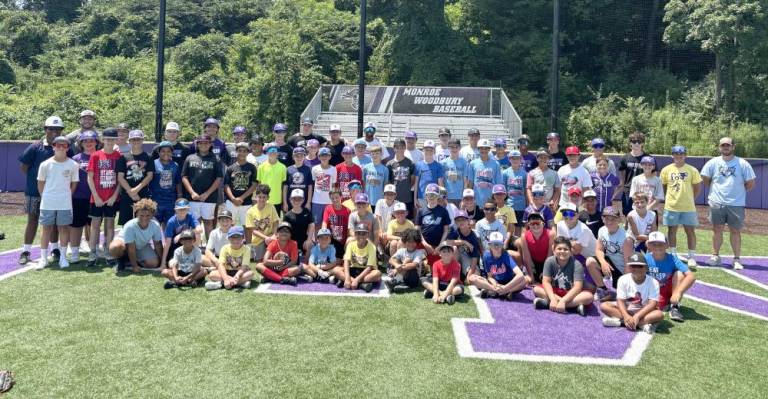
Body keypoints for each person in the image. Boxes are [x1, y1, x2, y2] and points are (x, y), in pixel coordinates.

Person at [701, 137, 757, 270]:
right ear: (719, 147)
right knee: (717, 230)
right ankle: (715, 256)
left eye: (728, 145)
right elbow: (705, 178)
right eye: (723, 145)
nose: (725, 147)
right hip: (716, 202)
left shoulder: (742, 163)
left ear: (733, 147)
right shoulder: (713, 162)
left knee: (735, 231)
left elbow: (750, 183)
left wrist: (737, 193)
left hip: (736, 204)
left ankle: (736, 259)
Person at [18, 116, 68, 265]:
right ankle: (26, 251)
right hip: (34, 191)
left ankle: (55, 249)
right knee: (32, 220)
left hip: (55, 193)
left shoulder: (64, 147)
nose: (54, 132)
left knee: (53, 222)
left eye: (58, 129)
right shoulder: (35, 147)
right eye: (51, 129)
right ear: (45, 129)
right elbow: (24, 167)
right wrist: (38, 182)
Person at [34, 136, 79, 269]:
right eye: (57, 145)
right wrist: (46, 196)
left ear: (68, 147)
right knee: (46, 229)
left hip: (65, 203)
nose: (60, 147)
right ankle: (43, 258)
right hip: (47, 203)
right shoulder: (45, 164)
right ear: (53, 146)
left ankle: (63, 258)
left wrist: (66, 196)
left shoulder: (73, 165)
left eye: (64, 145)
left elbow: (74, 183)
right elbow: (40, 184)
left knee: (64, 229)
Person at [660, 145, 702, 269]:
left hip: (688, 207)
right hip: (672, 206)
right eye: (676, 154)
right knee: (672, 231)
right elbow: (664, 187)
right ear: (672, 155)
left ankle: (691, 256)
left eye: (681, 154)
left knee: (690, 231)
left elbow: (697, 188)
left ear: (685, 155)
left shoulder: (692, 170)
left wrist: (690, 199)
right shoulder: (666, 170)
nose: (679, 156)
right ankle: (673, 255)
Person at [600, 253, 664, 333]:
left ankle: (621, 323)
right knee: (604, 306)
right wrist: (626, 315)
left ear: (646, 268)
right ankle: (640, 324)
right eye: (633, 266)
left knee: (659, 314)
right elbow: (620, 300)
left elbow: (652, 304)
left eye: (640, 266)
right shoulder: (623, 279)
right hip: (627, 309)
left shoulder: (653, 282)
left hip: (643, 311)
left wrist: (637, 315)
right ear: (629, 268)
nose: (636, 269)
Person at [86, 127, 121, 268]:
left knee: (110, 225)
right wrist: (96, 196)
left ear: (115, 141)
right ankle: (93, 252)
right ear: (102, 139)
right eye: (107, 139)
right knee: (95, 226)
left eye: (112, 139)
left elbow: (120, 179)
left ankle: (108, 251)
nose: (109, 142)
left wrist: (114, 196)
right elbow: (90, 177)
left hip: (112, 198)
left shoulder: (118, 157)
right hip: (97, 199)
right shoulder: (95, 155)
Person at [533, 236, 593, 316]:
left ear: (571, 252)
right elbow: (546, 281)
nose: (562, 251)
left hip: (571, 293)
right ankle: (574, 307)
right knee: (536, 289)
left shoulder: (577, 264)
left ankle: (549, 304)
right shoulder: (549, 261)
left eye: (566, 249)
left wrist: (563, 301)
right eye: (559, 249)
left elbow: (577, 287)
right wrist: (553, 298)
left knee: (589, 296)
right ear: (554, 251)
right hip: (555, 291)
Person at [644, 231, 696, 322]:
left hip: (667, 290)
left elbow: (691, 276)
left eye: (660, 244)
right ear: (648, 245)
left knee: (680, 274)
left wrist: (678, 293)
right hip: (652, 291)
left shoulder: (672, 258)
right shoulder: (645, 258)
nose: (657, 246)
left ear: (667, 245)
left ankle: (674, 307)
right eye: (654, 244)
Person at [181, 134, 223, 239]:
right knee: (195, 223)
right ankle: (195, 247)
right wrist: (192, 192)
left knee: (208, 222)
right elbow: (184, 177)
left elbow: (219, 178)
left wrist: (207, 194)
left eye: (206, 143)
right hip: (193, 197)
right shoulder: (190, 158)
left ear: (210, 144)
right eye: (200, 143)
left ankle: (210, 247)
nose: (203, 145)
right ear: (197, 144)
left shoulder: (216, 159)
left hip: (209, 197)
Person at [109, 199, 164, 273]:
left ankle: (131, 260)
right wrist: (135, 266)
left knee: (153, 263)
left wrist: (163, 262)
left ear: (152, 215)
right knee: (115, 247)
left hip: (141, 246)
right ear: (136, 214)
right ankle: (120, 259)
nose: (144, 218)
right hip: (125, 245)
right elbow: (130, 247)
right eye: (141, 215)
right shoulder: (130, 226)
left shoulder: (155, 225)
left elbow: (157, 244)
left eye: (148, 215)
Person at [585, 206, 627, 299]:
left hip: (623, 269)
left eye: (613, 219)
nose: (610, 222)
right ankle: (602, 290)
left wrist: (626, 282)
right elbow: (599, 249)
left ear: (619, 220)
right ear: (603, 219)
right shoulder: (602, 230)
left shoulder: (625, 237)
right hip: (610, 264)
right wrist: (603, 262)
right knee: (590, 261)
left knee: (622, 296)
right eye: (607, 218)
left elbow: (628, 262)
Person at [69, 131, 98, 262]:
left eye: (91, 140)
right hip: (79, 197)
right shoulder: (75, 159)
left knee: (94, 225)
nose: (88, 143)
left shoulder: (101, 157)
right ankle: (75, 251)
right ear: (80, 143)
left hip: (96, 197)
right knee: (76, 225)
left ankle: (94, 250)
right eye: (85, 141)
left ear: (96, 142)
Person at [471, 231, 526, 299]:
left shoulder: (506, 255)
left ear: (502, 245)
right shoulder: (486, 256)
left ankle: (497, 292)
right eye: (494, 244)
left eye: (498, 244)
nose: (496, 246)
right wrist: (495, 285)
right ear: (489, 245)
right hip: (495, 282)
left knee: (523, 281)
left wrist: (505, 288)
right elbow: (490, 276)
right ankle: (497, 291)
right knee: (472, 278)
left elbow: (520, 274)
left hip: (508, 282)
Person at [117, 130, 155, 226]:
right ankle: (127, 241)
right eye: (133, 139)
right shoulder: (123, 157)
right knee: (126, 223)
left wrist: (136, 189)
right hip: (127, 194)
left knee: (143, 221)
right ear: (129, 141)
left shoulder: (148, 157)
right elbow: (120, 177)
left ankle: (141, 241)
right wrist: (131, 191)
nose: (136, 141)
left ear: (142, 140)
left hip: (142, 193)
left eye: (138, 139)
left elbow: (149, 176)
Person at [334, 223, 382, 292]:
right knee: (336, 270)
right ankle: (362, 284)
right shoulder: (350, 245)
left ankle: (345, 280)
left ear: (367, 235)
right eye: (358, 233)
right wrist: (347, 277)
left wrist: (356, 280)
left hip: (366, 271)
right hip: (353, 269)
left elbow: (369, 267)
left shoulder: (372, 247)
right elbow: (346, 261)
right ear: (355, 234)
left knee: (377, 274)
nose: (361, 236)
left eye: (363, 233)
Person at [205, 226, 254, 290]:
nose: (235, 240)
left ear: (243, 238)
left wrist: (238, 275)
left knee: (251, 274)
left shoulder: (246, 249)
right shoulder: (224, 248)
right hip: (227, 272)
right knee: (212, 274)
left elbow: (244, 266)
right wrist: (225, 278)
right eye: (232, 237)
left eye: (238, 237)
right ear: (228, 238)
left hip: (240, 272)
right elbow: (221, 265)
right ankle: (240, 283)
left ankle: (220, 284)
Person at [252, 222, 302, 286]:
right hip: (272, 267)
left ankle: (271, 277)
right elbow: (265, 261)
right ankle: (282, 279)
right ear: (277, 234)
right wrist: (280, 262)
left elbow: (293, 261)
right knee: (259, 266)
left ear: (290, 235)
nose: (284, 233)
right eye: (281, 231)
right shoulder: (273, 243)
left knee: (297, 269)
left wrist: (283, 267)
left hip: (285, 268)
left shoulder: (294, 243)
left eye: (287, 231)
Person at [618, 131, 655, 216]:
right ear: (630, 143)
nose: (637, 144)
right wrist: (624, 186)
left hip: (643, 190)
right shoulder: (625, 158)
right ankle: (628, 229)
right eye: (634, 141)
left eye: (639, 141)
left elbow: (653, 174)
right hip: (628, 190)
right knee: (628, 214)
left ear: (643, 143)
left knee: (643, 214)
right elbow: (623, 176)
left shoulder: (649, 158)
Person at [160, 199, 203, 268]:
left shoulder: (190, 216)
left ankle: (194, 256)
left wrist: (181, 234)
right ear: (175, 210)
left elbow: (200, 229)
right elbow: (167, 242)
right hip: (174, 246)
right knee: (172, 264)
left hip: (186, 243)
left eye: (184, 209)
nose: (182, 211)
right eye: (180, 209)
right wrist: (163, 263)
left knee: (197, 234)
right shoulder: (171, 221)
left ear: (188, 209)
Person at [416, 184, 451, 264]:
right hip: (423, 244)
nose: (431, 197)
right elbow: (417, 229)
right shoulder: (421, 211)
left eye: (434, 195)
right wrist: (425, 244)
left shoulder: (443, 211)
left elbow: (446, 230)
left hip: (438, 244)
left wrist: (440, 245)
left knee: (438, 266)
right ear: (425, 196)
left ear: (438, 196)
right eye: (429, 195)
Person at [223, 142, 257, 226]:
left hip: (246, 201)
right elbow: (226, 185)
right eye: (240, 150)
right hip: (231, 201)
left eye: (244, 151)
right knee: (228, 224)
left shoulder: (252, 167)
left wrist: (241, 198)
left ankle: (247, 240)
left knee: (247, 226)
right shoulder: (230, 168)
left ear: (248, 153)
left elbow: (254, 185)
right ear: (236, 152)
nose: (242, 153)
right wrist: (233, 198)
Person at [514, 212, 553, 283]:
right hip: (533, 263)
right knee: (528, 280)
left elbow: (550, 256)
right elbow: (527, 258)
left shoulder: (550, 234)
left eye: (537, 223)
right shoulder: (524, 236)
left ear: (543, 224)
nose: (535, 226)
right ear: (529, 225)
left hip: (547, 263)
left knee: (547, 280)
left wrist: (545, 272)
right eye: (532, 223)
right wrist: (531, 276)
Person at [150, 141, 182, 227]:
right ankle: (156, 240)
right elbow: (148, 180)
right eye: (163, 151)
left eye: (168, 151)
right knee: (154, 224)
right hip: (156, 199)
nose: (166, 153)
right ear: (159, 152)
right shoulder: (153, 163)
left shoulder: (175, 165)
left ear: (172, 153)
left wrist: (179, 196)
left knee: (169, 224)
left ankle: (167, 240)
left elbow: (178, 181)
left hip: (170, 200)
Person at [384, 229, 426, 293]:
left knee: (409, 261)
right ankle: (402, 285)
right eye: (409, 241)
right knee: (396, 260)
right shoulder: (401, 250)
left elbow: (414, 265)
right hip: (402, 275)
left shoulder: (418, 252)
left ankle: (395, 282)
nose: (411, 244)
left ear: (417, 242)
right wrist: (397, 265)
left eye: (413, 242)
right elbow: (391, 260)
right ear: (404, 241)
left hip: (413, 278)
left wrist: (397, 270)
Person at [555, 202, 597, 267]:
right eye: (565, 213)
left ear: (577, 215)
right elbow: (559, 244)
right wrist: (571, 243)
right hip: (577, 255)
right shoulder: (560, 225)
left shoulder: (583, 230)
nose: (568, 216)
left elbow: (576, 251)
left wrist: (565, 244)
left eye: (571, 214)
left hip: (592, 258)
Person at [245, 184, 279, 262]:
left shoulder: (271, 207)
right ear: (255, 197)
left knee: (274, 256)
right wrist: (265, 238)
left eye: (264, 197)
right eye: (259, 197)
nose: (261, 199)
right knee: (260, 260)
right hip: (258, 239)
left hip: (270, 236)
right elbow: (252, 230)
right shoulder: (250, 211)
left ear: (268, 198)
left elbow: (276, 222)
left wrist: (274, 234)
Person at [465, 139, 502, 208]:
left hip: (491, 202)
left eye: (486, 148)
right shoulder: (473, 163)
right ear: (478, 149)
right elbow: (470, 183)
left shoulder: (496, 164)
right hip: (476, 202)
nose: (484, 150)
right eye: (481, 148)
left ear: (489, 150)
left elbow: (498, 184)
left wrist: (495, 200)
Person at [446, 210, 481, 280]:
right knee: (454, 248)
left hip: (469, 257)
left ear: (468, 221)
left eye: (463, 219)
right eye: (458, 220)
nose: (461, 222)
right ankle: (453, 274)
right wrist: (464, 242)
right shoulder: (454, 230)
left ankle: (463, 276)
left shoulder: (474, 236)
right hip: (457, 255)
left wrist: (470, 274)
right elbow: (447, 242)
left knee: (475, 275)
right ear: (456, 222)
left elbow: (474, 258)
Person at [257, 143, 287, 216]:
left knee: (275, 222)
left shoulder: (283, 167)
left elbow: (284, 186)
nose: (273, 153)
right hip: (264, 200)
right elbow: (259, 184)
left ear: (277, 153)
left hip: (277, 200)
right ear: (267, 153)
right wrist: (257, 198)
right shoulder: (261, 167)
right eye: (270, 151)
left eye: (275, 151)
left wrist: (284, 201)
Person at [387, 139, 416, 218]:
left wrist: (406, 187)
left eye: (402, 147)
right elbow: (389, 182)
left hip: (407, 198)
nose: (400, 149)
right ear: (394, 148)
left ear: (405, 148)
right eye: (397, 147)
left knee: (408, 221)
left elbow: (412, 180)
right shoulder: (389, 164)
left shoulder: (410, 163)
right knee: (394, 220)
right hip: (394, 198)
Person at [282, 189, 315, 256]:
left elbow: (312, 225)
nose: (296, 201)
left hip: (304, 241)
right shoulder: (287, 215)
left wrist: (309, 239)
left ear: (303, 200)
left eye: (299, 199)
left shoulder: (307, 212)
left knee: (310, 245)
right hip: (291, 241)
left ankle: (307, 263)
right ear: (290, 200)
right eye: (294, 199)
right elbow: (285, 231)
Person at [503, 149, 527, 237]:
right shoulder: (505, 173)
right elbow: (504, 189)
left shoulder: (524, 174)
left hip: (521, 205)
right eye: (513, 158)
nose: (515, 160)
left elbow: (525, 189)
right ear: (509, 159)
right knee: (509, 227)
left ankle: (516, 245)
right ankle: (508, 245)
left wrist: (527, 204)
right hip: (509, 205)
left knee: (518, 228)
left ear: (520, 160)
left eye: (517, 158)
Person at [413, 140, 444, 210]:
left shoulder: (438, 166)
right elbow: (416, 183)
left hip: (434, 197)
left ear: (434, 151)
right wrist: (415, 199)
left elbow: (441, 184)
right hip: (422, 197)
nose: (429, 152)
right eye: (427, 149)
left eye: (431, 150)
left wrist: (441, 198)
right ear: (423, 150)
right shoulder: (418, 165)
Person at [311, 147, 337, 226]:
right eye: (322, 155)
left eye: (326, 155)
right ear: (318, 157)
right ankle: (315, 238)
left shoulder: (333, 169)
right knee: (316, 224)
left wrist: (333, 200)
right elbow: (313, 183)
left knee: (328, 224)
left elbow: (333, 185)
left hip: (328, 201)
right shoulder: (315, 168)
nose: (324, 157)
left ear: (330, 157)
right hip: (317, 201)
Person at [322, 189, 351, 258]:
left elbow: (349, 229)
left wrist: (347, 242)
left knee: (338, 260)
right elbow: (324, 223)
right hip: (331, 240)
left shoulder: (347, 211)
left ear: (341, 197)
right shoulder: (328, 208)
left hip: (342, 242)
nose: (335, 200)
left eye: (337, 197)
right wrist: (324, 234)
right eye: (332, 198)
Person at [441, 139, 468, 208]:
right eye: (452, 147)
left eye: (456, 147)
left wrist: (464, 197)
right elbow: (441, 182)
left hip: (460, 197)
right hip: (448, 197)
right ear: (448, 148)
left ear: (460, 148)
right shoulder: (443, 163)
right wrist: (443, 197)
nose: (454, 149)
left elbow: (465, 181)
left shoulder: (464, 162)